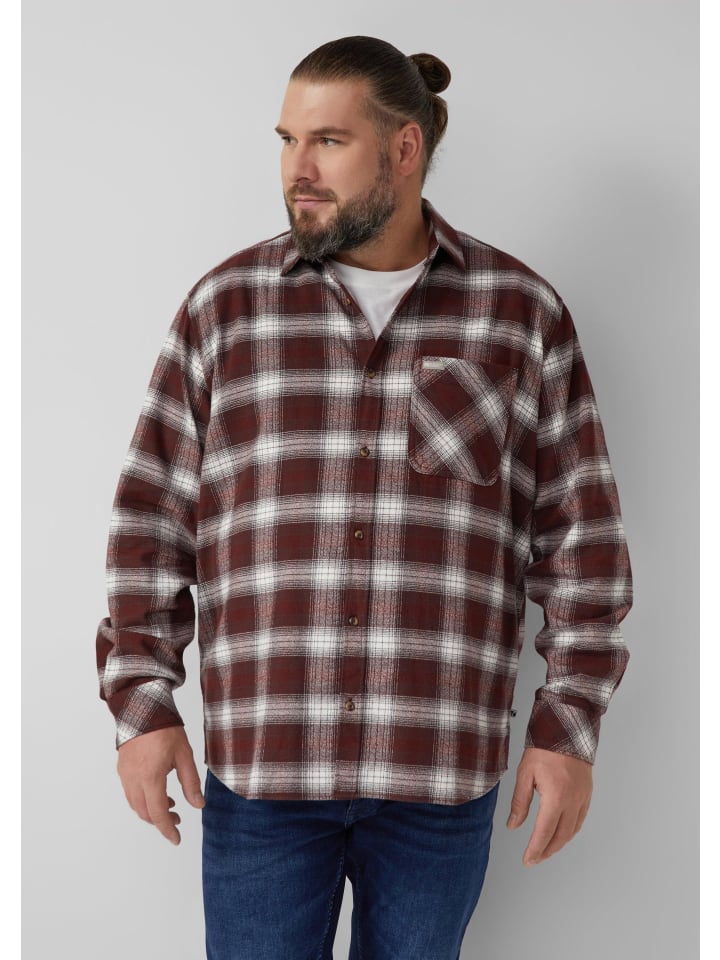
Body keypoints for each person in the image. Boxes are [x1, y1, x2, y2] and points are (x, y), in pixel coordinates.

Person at [96, 35, 633, 960]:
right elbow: (151, 523)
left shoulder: (519, 314)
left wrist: (568, 728)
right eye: (287, 140)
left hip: (439, 780)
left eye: (328, 141)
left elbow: (581, 541)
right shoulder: (226, 310)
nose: (296, 169)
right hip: (265, 775)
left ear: (404, 148)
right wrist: (142, 706)